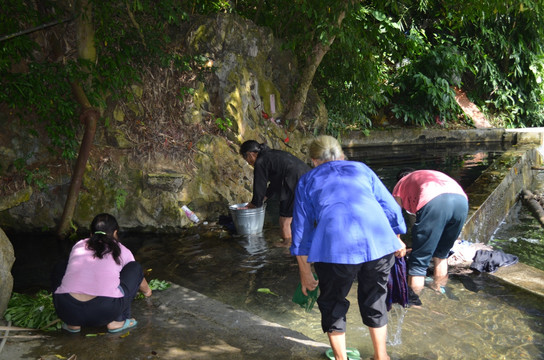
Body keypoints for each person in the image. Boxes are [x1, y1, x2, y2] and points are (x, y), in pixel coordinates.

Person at [290, 135, 406, 360]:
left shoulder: (307, 180)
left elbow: (301, 230)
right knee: (375, 299)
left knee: (333, 302)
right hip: (379, 244)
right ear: (342, 156)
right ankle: (381, 356)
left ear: (314, 160)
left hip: (335, 248)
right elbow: (391, 208)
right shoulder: (361, 169)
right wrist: (397, 236)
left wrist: (305, 271)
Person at [52, 213, 152, 333]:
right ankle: (117, 321)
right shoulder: (122, 250)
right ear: (115, 233)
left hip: (67, 309)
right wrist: (147, 292)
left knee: (60, 266)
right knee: (135, 267)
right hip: (104, 311)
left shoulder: (78, 245)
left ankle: (73, 325)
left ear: (91, 234)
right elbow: (135, 275)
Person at [392, 168, 469, 297]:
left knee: (419, 262)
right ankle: (439, 288)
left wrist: (397, 240)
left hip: (435, 202)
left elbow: (394, 215)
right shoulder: (426, 175)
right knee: (442, 254)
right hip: (461, 201)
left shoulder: (400, 185)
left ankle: (414, 303)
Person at [240, 140, 310, 247]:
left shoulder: (260, 162)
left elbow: (259, 186)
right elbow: (276, 181)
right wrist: (265, 196)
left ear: (251, 154)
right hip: (308, 178)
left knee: (284, 221)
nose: (248, 163)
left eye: (246, 159)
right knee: (299, 218)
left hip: (294, 182)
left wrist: (253, 204)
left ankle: (287, 247)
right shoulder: (272, 154)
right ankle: (300, 244)